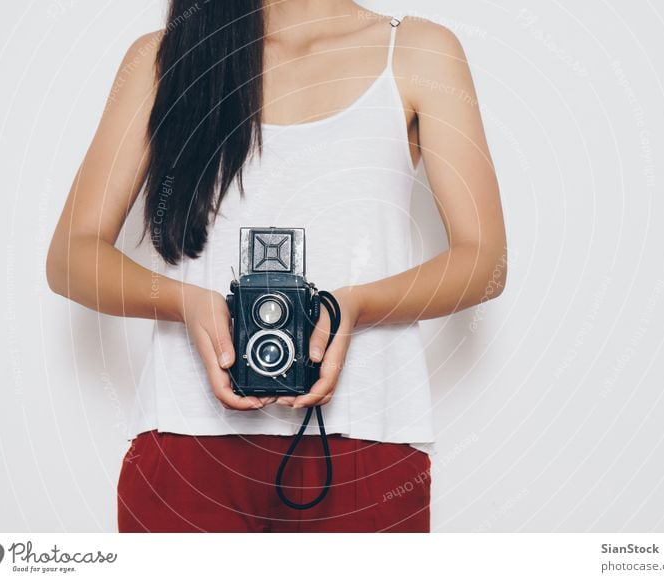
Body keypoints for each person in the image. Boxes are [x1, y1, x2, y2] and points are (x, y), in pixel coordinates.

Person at [46, 0, 507, 533]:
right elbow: (71, 256)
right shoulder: (165, 57)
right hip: (186, 440)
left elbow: (484, 262)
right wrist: (186, 303)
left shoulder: (418, 51)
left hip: (367, 435)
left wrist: (349, 306)